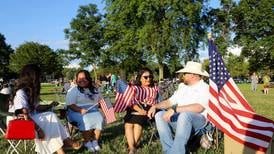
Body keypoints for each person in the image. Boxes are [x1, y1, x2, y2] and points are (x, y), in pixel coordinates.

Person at [9, 64, 81, 154]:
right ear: (32, 77)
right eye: (39, 76)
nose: (40, 79)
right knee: (50, 118)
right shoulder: (21, 93)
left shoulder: (29, 91)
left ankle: (62, 148)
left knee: (49, 118)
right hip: (20, 124)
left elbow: (36, 108)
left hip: (31, 119)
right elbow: (23, 115)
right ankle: (65, 142)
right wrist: (38, 129)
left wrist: (49, 106)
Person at [147, 61, 209, 154]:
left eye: (185, 73)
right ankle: (168, 151)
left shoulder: (205, 88)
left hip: (199, 121)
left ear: (192, 75)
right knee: (159, 115)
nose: (182, 76)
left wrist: (175, 109)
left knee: (185, 115)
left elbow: (198, 107)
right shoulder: (182, 87)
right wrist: (155, 106)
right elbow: (169, 102)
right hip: (180, 119)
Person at [122, 68, 160, 154]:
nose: (148, 79)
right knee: (128, 125)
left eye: (150, 77)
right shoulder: (135, 88)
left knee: (137, 124)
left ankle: (132, 147)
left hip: (149, 109)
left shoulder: (155, 88)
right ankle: (132, 147)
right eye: (145, 77)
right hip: (135, 107)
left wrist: (151, 109)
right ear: (140, 78)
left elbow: (158, 101)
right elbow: (131, 101)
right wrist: (139, 110)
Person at [66, 70, 104, 152]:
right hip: (75, 111)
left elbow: (100, 101)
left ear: (88, 79)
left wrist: (103, 103)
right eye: (79, 78)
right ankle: (87, 142)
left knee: (100, 118)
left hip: (93, 110)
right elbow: (70, 104)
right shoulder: (73, 90)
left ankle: (94, 141)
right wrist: (80, 110)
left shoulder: (95, 90)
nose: (81, 80)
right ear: (76, 79)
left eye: (84, 78)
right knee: (86, 119)